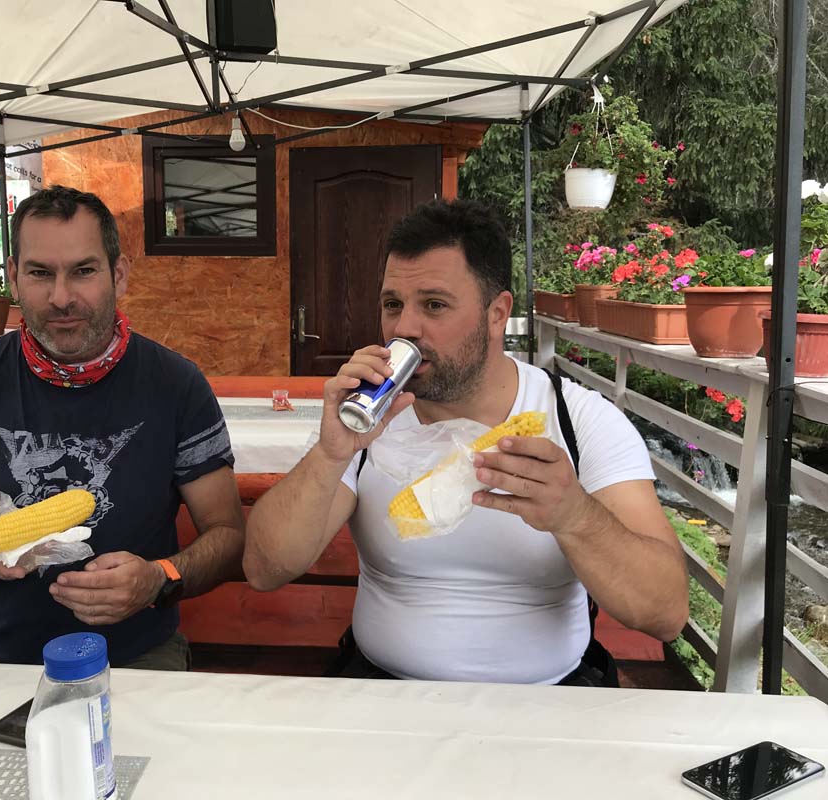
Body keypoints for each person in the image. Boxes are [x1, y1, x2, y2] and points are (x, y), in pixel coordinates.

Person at [243, 199, 688, 686]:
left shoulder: (577, 419)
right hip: (384, 690)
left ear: (497, 314)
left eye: (434, 305)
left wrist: (575, 515)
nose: (404, 329)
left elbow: (665, 613)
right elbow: (265, 569)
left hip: (547, 700)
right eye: (393, 305)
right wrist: (330, 455)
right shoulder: (367, 422)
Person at [0, 186, 245, 669]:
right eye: (39, 273)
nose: (61, 298)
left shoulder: (176, 383)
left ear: (119, 274)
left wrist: (158, 578)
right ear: (13, 278)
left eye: (83, 271)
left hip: (136, 657)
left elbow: (228, 534)